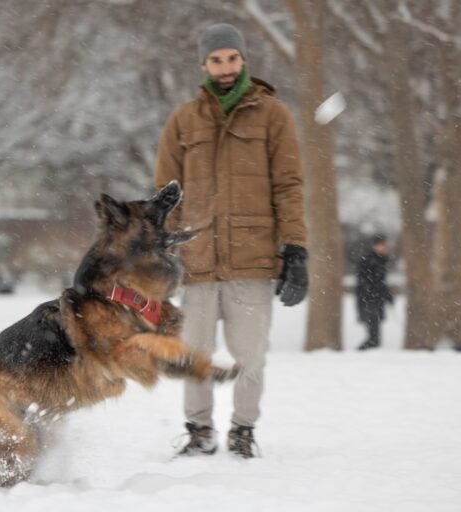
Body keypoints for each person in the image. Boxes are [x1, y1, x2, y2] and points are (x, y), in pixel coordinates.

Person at [154, 23, 308, 458]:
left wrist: (296, 248)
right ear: (203, 64)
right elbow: (165, 196)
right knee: (194, 356)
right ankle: (199, 432)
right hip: (197, 261)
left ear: (244, 61)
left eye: (233, 58)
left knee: (250, 355)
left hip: (252, 260)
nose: (226, 67)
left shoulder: (274, 116)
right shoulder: (183, 121)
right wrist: (163, 251)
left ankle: (243, 430)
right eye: (217, 59)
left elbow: (289, 186)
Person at [355, 234, 394, 350]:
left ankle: (372, 347)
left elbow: (382, 282)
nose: (385, 247)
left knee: (375, 326)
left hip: (377, 298)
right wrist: (370, 293)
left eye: (385, 245)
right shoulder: (368, 260)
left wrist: (387, 295)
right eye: (382, 245)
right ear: (375, 246)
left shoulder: (382, 260)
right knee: (372, 327)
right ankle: (367, 350)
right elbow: (364, 281)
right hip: (368, 298)